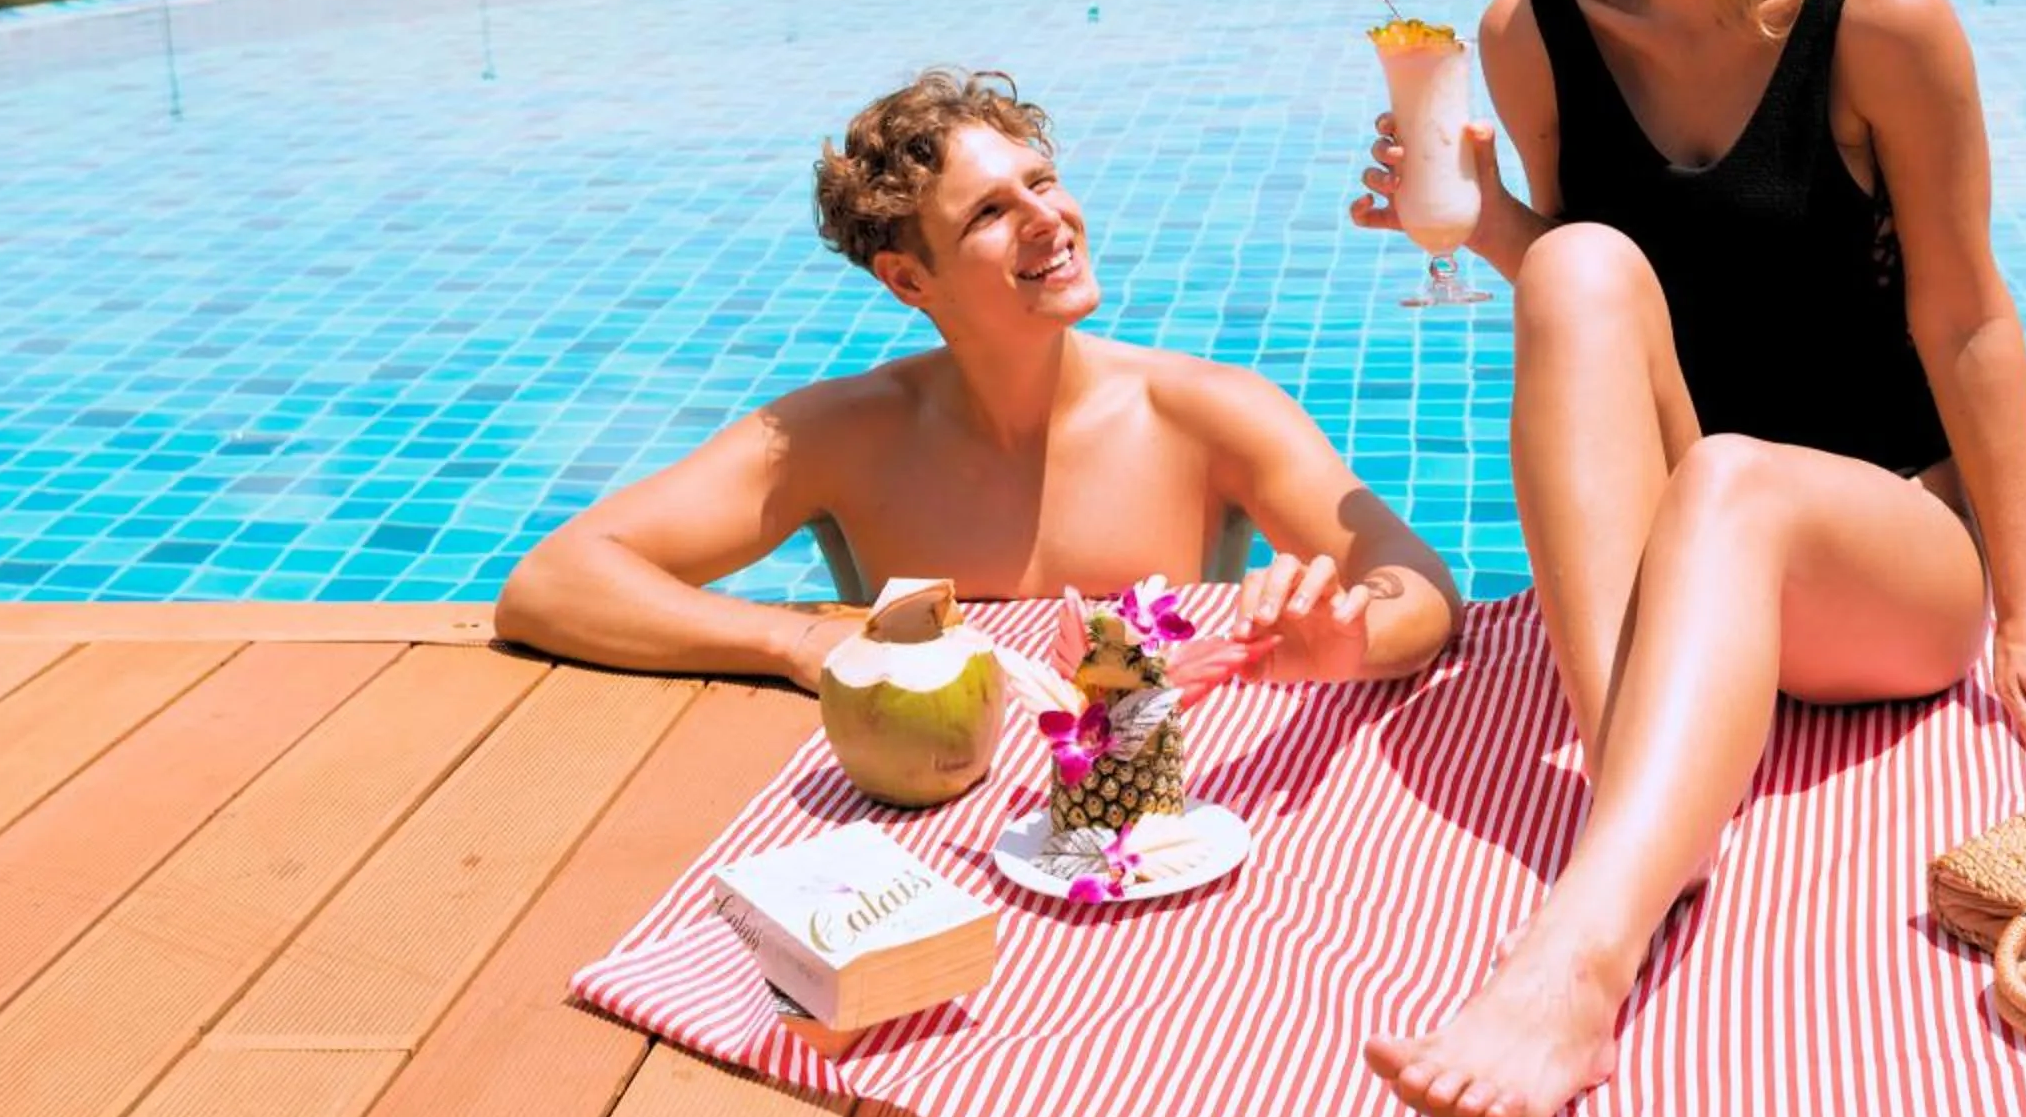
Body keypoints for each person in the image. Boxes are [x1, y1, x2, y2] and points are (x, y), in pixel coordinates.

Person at [1352, 0, 2026, 1117]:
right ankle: (1642, 822)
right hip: (1694, 542)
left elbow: (1970, 318)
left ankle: (1578, 960)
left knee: (1735, 470)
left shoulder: (1879, 12)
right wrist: (1483, 227)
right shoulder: (1528, 29)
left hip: (1884, 554)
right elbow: (1616, 310)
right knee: (1580, 265)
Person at [497, 68, 1460, 693]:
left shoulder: (1208, 414)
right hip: (933, 802)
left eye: (1042, 182)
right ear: (908, 279)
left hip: (1163, 811)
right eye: (990, 213)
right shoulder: (844, 435)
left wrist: (1350, 640)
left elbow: (1416, 582)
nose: (1048, 219)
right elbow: (555, 581)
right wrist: (799, 646)